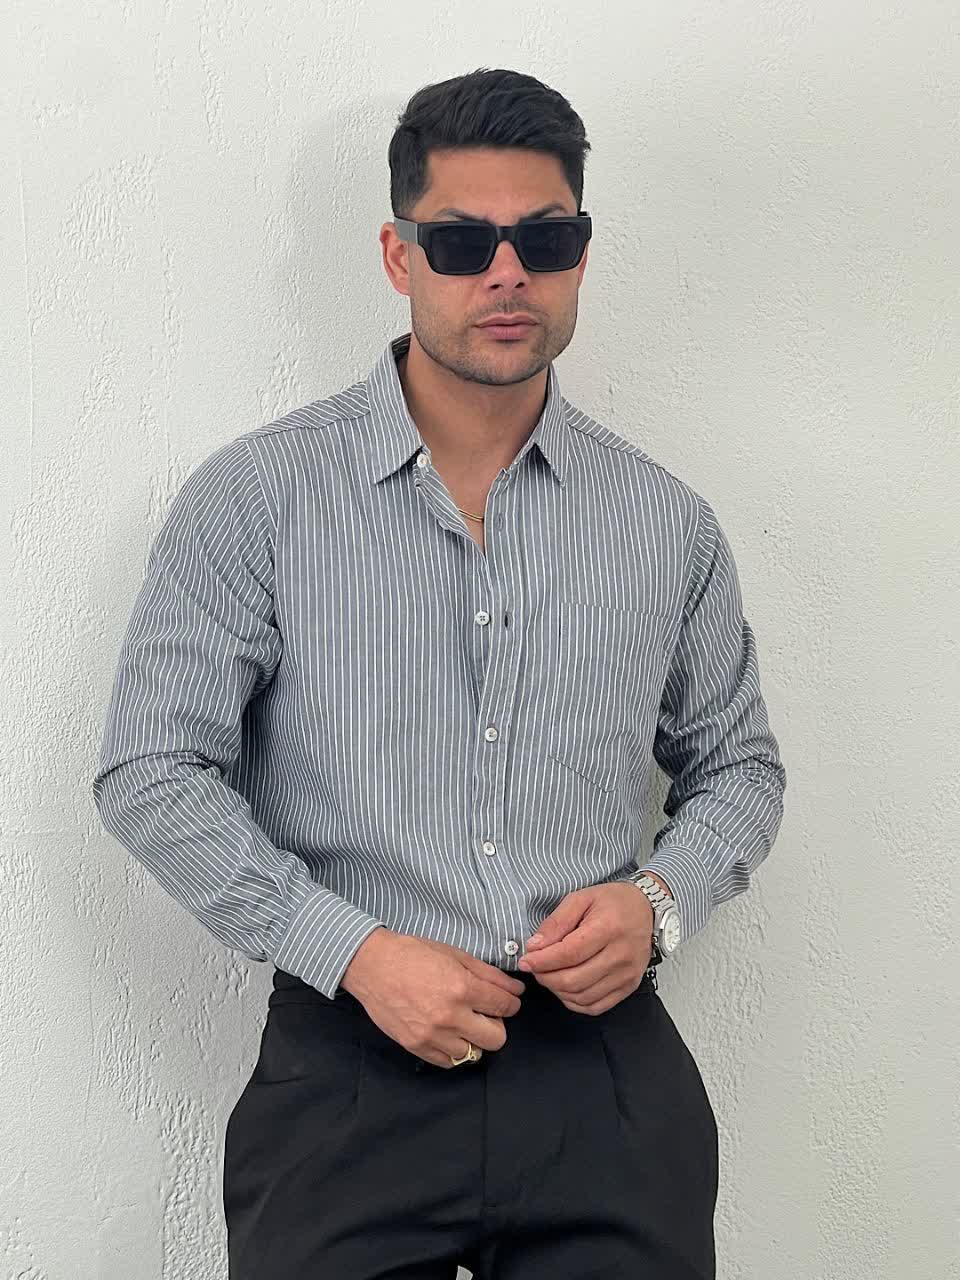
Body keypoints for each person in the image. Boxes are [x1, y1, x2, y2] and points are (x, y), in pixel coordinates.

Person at [93, 66, 786, 1280]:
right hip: (349, 1067)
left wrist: (658, 900)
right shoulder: (260, 499)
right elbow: (151, 768)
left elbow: (739, 766)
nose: (506, 273)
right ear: (399, 254)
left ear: (581, 252)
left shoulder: (664, 522)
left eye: (543, 238)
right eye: (463, 241)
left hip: (603, 1077)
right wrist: (354, 948)